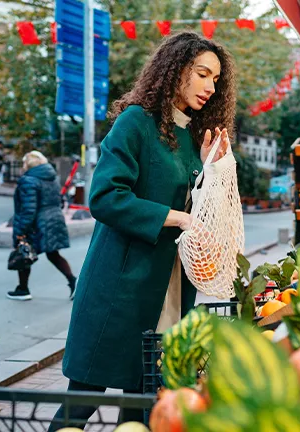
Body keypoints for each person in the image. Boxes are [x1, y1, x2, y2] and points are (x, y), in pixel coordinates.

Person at [50, 31, 236, 429]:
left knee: (141, 409)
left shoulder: (191, 134)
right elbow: (105, 196)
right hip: (119, 290)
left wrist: (207, 169)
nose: (210, 86)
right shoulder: (136, 122)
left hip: (167, 290)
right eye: (202, 73)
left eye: (216, 79)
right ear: (175, 70)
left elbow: (197, 207)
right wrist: (177, 218)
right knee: (79, 405)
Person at [8, 151, 76, 301]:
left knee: (23, 252)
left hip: (37, 222)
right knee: (53, 254)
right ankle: (73, 281)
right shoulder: (52, 177)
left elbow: (29, 209)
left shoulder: (28, 180)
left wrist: (21, 230)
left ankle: (23, 289)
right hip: (53, 218)